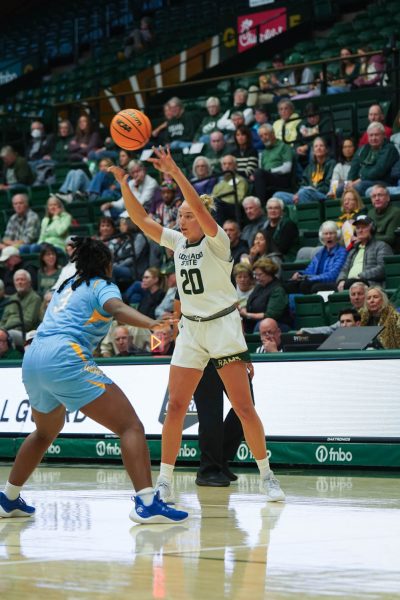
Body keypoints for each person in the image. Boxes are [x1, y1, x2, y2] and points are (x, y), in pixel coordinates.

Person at [109, 147, 285, 503]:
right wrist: (123, 183)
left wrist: (173, 170)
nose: (182, 219)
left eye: (188, 215)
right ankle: (165, 481)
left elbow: (201, 209)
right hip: (191, 329)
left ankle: (266, 474)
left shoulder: (218, 242)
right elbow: (141, 219)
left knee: (244, 407)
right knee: (175, 406)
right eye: (180, 215)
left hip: (222, 327)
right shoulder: (176, 241)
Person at [0, 237, 188, 523]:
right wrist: (152, 323)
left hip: (33, 356)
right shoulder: (103, 285)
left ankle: (8, 499)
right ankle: (148, 504)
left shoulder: (66, 285)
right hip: (64, 356)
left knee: (44, 433)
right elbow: (116, 308)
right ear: (107, 264)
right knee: (130, 426)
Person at [286, 221, 347, 294]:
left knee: (306, 285)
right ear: (322, 236)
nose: (328, 236)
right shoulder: (320, 253)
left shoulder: (342, 252)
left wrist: (310, 279)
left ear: (337, 235)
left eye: (331, 233)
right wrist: (300, 274)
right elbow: (310, 270)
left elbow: (333, 275)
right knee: (289, 285)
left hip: (331, 282)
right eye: (326, 234)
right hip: (314, 281)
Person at [339, 122, 398, 197]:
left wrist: (359, 179)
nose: (373, 138)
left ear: (383, 135)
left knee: (358, 187)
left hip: (383, 182)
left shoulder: (389, 149)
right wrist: (349, 182)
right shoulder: (363, 149)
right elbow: (354, 167)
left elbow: (378, 170)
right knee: (340, 189)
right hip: (364, 181)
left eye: (377, 135)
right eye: (371, 135)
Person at [337, 214, 392, 291]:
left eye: (364, 227)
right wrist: (341, 280)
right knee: (317, 287)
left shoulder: (381, 246)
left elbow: (383, 268)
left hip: (370, 285)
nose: (360, 230)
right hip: (349, 284)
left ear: (372, 229)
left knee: (349, 283)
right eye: (358, 228)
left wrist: (360, 276)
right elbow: (344, 270)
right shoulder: (353, 250)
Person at [274, 137, 335, 205]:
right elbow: (303, 184)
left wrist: (312, 189)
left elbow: (328, 186)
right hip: (304, 193)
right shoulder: (309, 167)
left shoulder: (331, 164)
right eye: (316, 146)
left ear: (326, 149)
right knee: (278, 196)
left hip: (322, 195)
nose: (318, 148)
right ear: (313, 151)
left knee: (304, 192)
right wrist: (297, 195)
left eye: (321, 146)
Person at [240, 258, 290, 333]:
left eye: (260, 275)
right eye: (255, 275)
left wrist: (247, 315)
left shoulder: (278, 290)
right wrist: (243, 309)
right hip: (254, 322)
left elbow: (270, 315)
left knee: (262, 325)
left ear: (269, 273)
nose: (257, 278)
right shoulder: (259, 287)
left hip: (277, 324)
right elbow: (249, 304)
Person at [0, 269, 41, 347]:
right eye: (17, 280)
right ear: (14, 283)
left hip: (26, 334)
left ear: (29, 282)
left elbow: (28, 322)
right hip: (6, 331)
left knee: (7, 334)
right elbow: (3, 320)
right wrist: (2, 329)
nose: (20, 282)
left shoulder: (35, 298)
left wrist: (4, 330)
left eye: (22, 279)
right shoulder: (12, 298)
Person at [253, 124, 294, 201]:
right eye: (261, 136)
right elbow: (261, 169)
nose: (264, 138)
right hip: (268, 178)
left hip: (282, 178)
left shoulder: (284, 146)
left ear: (273, 134)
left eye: (266, 134)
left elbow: (287, 168)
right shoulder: (264, 152)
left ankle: (261, 205)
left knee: (259, 173)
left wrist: (270, 171)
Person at [211, 155, 248, 224]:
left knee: (217, 203)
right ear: (221, 167)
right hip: (219, 208)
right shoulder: (218, 185)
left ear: (235, 166)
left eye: (230, 164)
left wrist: (221, 200)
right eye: (224, 164)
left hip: (234, 209)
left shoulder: (241, 180)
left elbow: (239, 198)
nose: (227, 166)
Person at [261, 197, 299, 262]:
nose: (273, 211)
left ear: (281, 211)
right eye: (270, 208)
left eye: (276, 208)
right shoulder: (264, 226)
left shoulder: (288, 225)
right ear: (266, 211)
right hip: (268, 257)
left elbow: (282, 250)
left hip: (285, 259)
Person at [367, 184, 400, 252]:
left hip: (389, 250)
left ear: (388, 197)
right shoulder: (370, 213)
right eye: (374, 196)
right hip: (372, 249)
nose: (377, 198)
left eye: (380, 195)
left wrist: (368, 238)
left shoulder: (396, 212)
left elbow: (390, 238)